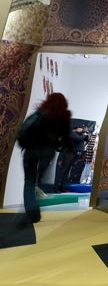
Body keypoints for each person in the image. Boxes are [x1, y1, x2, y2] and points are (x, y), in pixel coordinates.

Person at [17, 93, 73, 223]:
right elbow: (66, 137)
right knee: (39, 180)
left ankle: (31, 210)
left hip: (31, 150)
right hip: (47, 152)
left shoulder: (40, 112)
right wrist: (70, 150)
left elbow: (25, 128)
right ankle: (35, 205)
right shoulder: (64, 118)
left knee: (29, 180)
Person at [53, 125, 89, 193]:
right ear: (76, 129)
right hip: (66, 154)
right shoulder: (72, 133)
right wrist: (84, 135)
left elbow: (86, 139)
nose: (82, 130)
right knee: (61, 171)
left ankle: (62, 187)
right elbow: (77, 139)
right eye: (81, 128)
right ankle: (56, 188)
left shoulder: (80, 135)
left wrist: (86, 135)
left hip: (72, 154)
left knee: (66, 171)